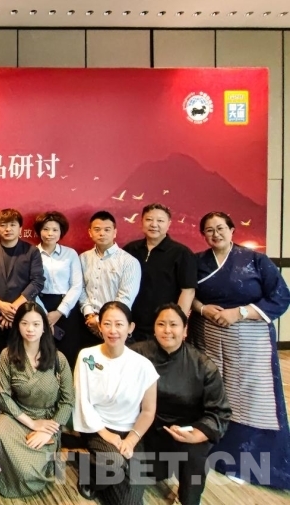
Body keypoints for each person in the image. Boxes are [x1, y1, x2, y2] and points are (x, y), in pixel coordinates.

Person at [190, 211, 290, 489]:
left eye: (220, 228)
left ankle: (250, 465)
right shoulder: (197, 262)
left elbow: (280, 296)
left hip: (250, 340)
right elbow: (187, 294)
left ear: (232, 230)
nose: (216, 234)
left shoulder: (256, 260)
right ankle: (211, 454)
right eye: (209, 230)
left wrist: (241, 312)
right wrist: (202, 308)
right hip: (208, 336)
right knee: (212, 394)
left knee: (252, 399)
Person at [131, 303, 231, 505]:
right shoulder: (136, 355)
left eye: (174, 325)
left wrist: (197, 434)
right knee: (134, 481)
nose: (167, 330)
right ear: (154, 328)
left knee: (195, 453)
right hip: (145, 430)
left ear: (185, 330)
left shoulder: (202, 365)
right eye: (161, 324)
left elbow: (219, 412)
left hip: (185, 433)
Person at [73, 301, 158, 505]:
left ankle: (96, 465)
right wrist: (106, 434)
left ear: (130, 328)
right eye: (107, 324)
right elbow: (82, 401)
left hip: (130, 432)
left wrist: (131, 440)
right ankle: (91, 477)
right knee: (115, 463)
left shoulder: (144, 366)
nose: (113, 330)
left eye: (119, 324)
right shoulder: (87, 356)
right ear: (99, 326)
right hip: (97, 429)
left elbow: (148, 411)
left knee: (131, 501)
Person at [0, 301, 73, 498]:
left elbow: (67, 401)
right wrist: (32, 423)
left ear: (45, 327)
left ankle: (36, 469)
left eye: (36, 324)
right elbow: (3, 396)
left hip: (47, 421)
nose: (30, 329)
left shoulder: (58, 359)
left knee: (28, 472)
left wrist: (49, 429)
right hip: (17, 416)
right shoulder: (7, 355)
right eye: (24, 323)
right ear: (17, 325)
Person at [0, 208, 44, 413]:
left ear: (20, 228)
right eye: (3, 225)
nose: (7, 229)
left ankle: (23, 409)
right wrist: (0, 305)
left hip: (24, 319)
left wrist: (15, 308)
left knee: (23, 365)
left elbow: (37, 282)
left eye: (12, 225)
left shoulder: (31, 251)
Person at [123, 204, 197, 341]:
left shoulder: (181, 253)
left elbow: (188, 291)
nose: (154, 224)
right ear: (141, 222)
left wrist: (177, 323)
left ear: (169, 224)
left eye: (160, 221)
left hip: (163, 327)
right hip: (130, 324)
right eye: (149, 219)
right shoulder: (130, 250)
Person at [78, 211, 140, 344]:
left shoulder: (129, 262)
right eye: (97, 229)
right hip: (86, 324)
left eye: (107, 230)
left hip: (115, 328)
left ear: (115, 232)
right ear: (90, 232)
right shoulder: (83, 258)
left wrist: (101, 320)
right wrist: (89, 314)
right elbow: (80, 288)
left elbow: (125, 297)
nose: (102, 233)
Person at [33, 211, 84, 367]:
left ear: (61, 232)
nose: (50, 234)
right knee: (42, 354)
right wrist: (44, 314)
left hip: (66, 308)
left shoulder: (70, 254)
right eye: (46, 229)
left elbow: (77, 285)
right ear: (39, 231)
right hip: (40, 306)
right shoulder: (31, 254)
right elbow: (30, 285)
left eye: (55, 230)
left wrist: (60, 311)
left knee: (68, 354)